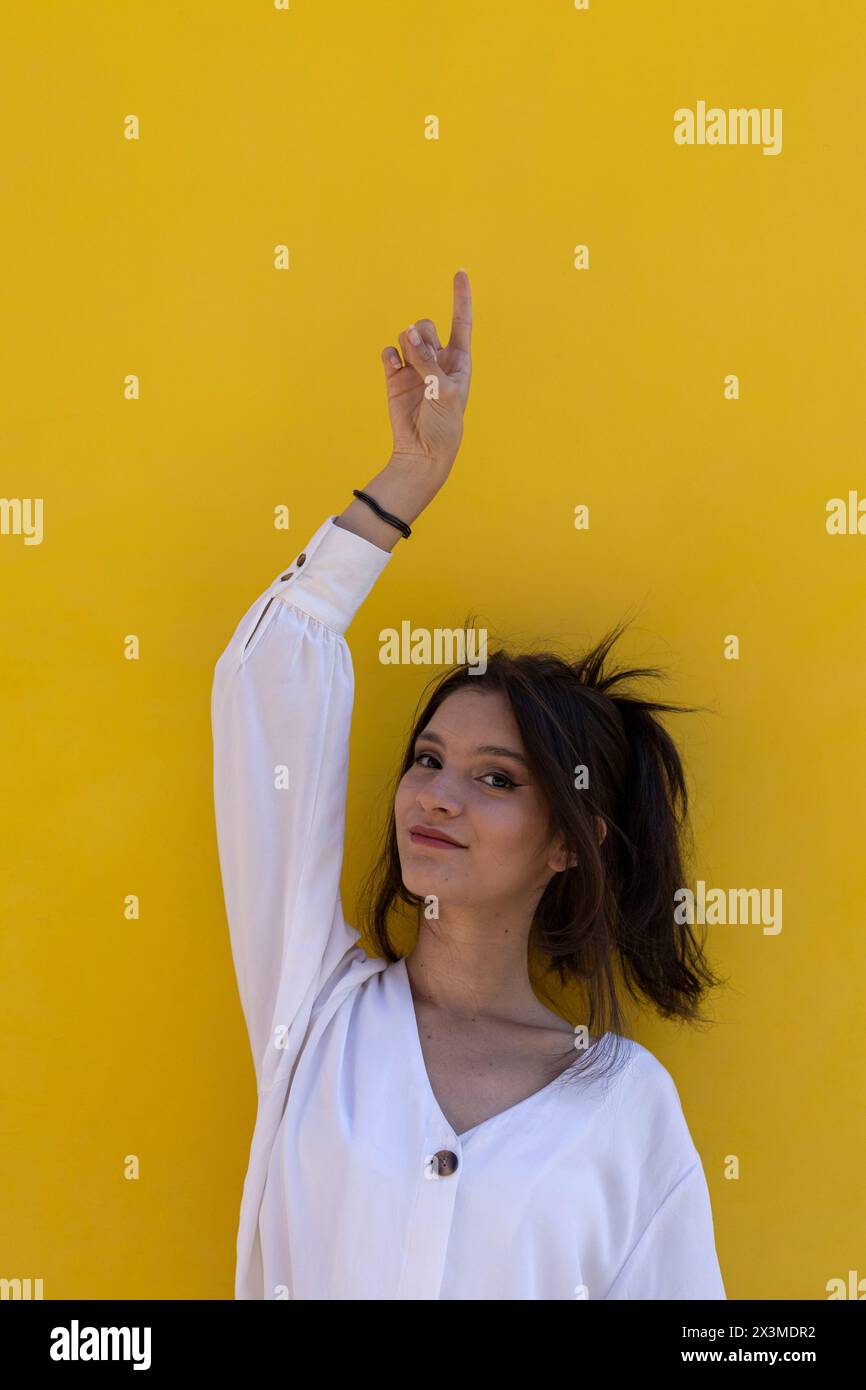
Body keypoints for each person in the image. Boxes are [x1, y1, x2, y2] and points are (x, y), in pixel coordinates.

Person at [211, 270, 727, 1300]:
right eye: (429, 759)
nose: (435, 794)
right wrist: (406, 477)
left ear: (563, 842)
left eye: (494, 778)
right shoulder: (314, 1013)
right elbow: (266, 681)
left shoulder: (624, 1104)